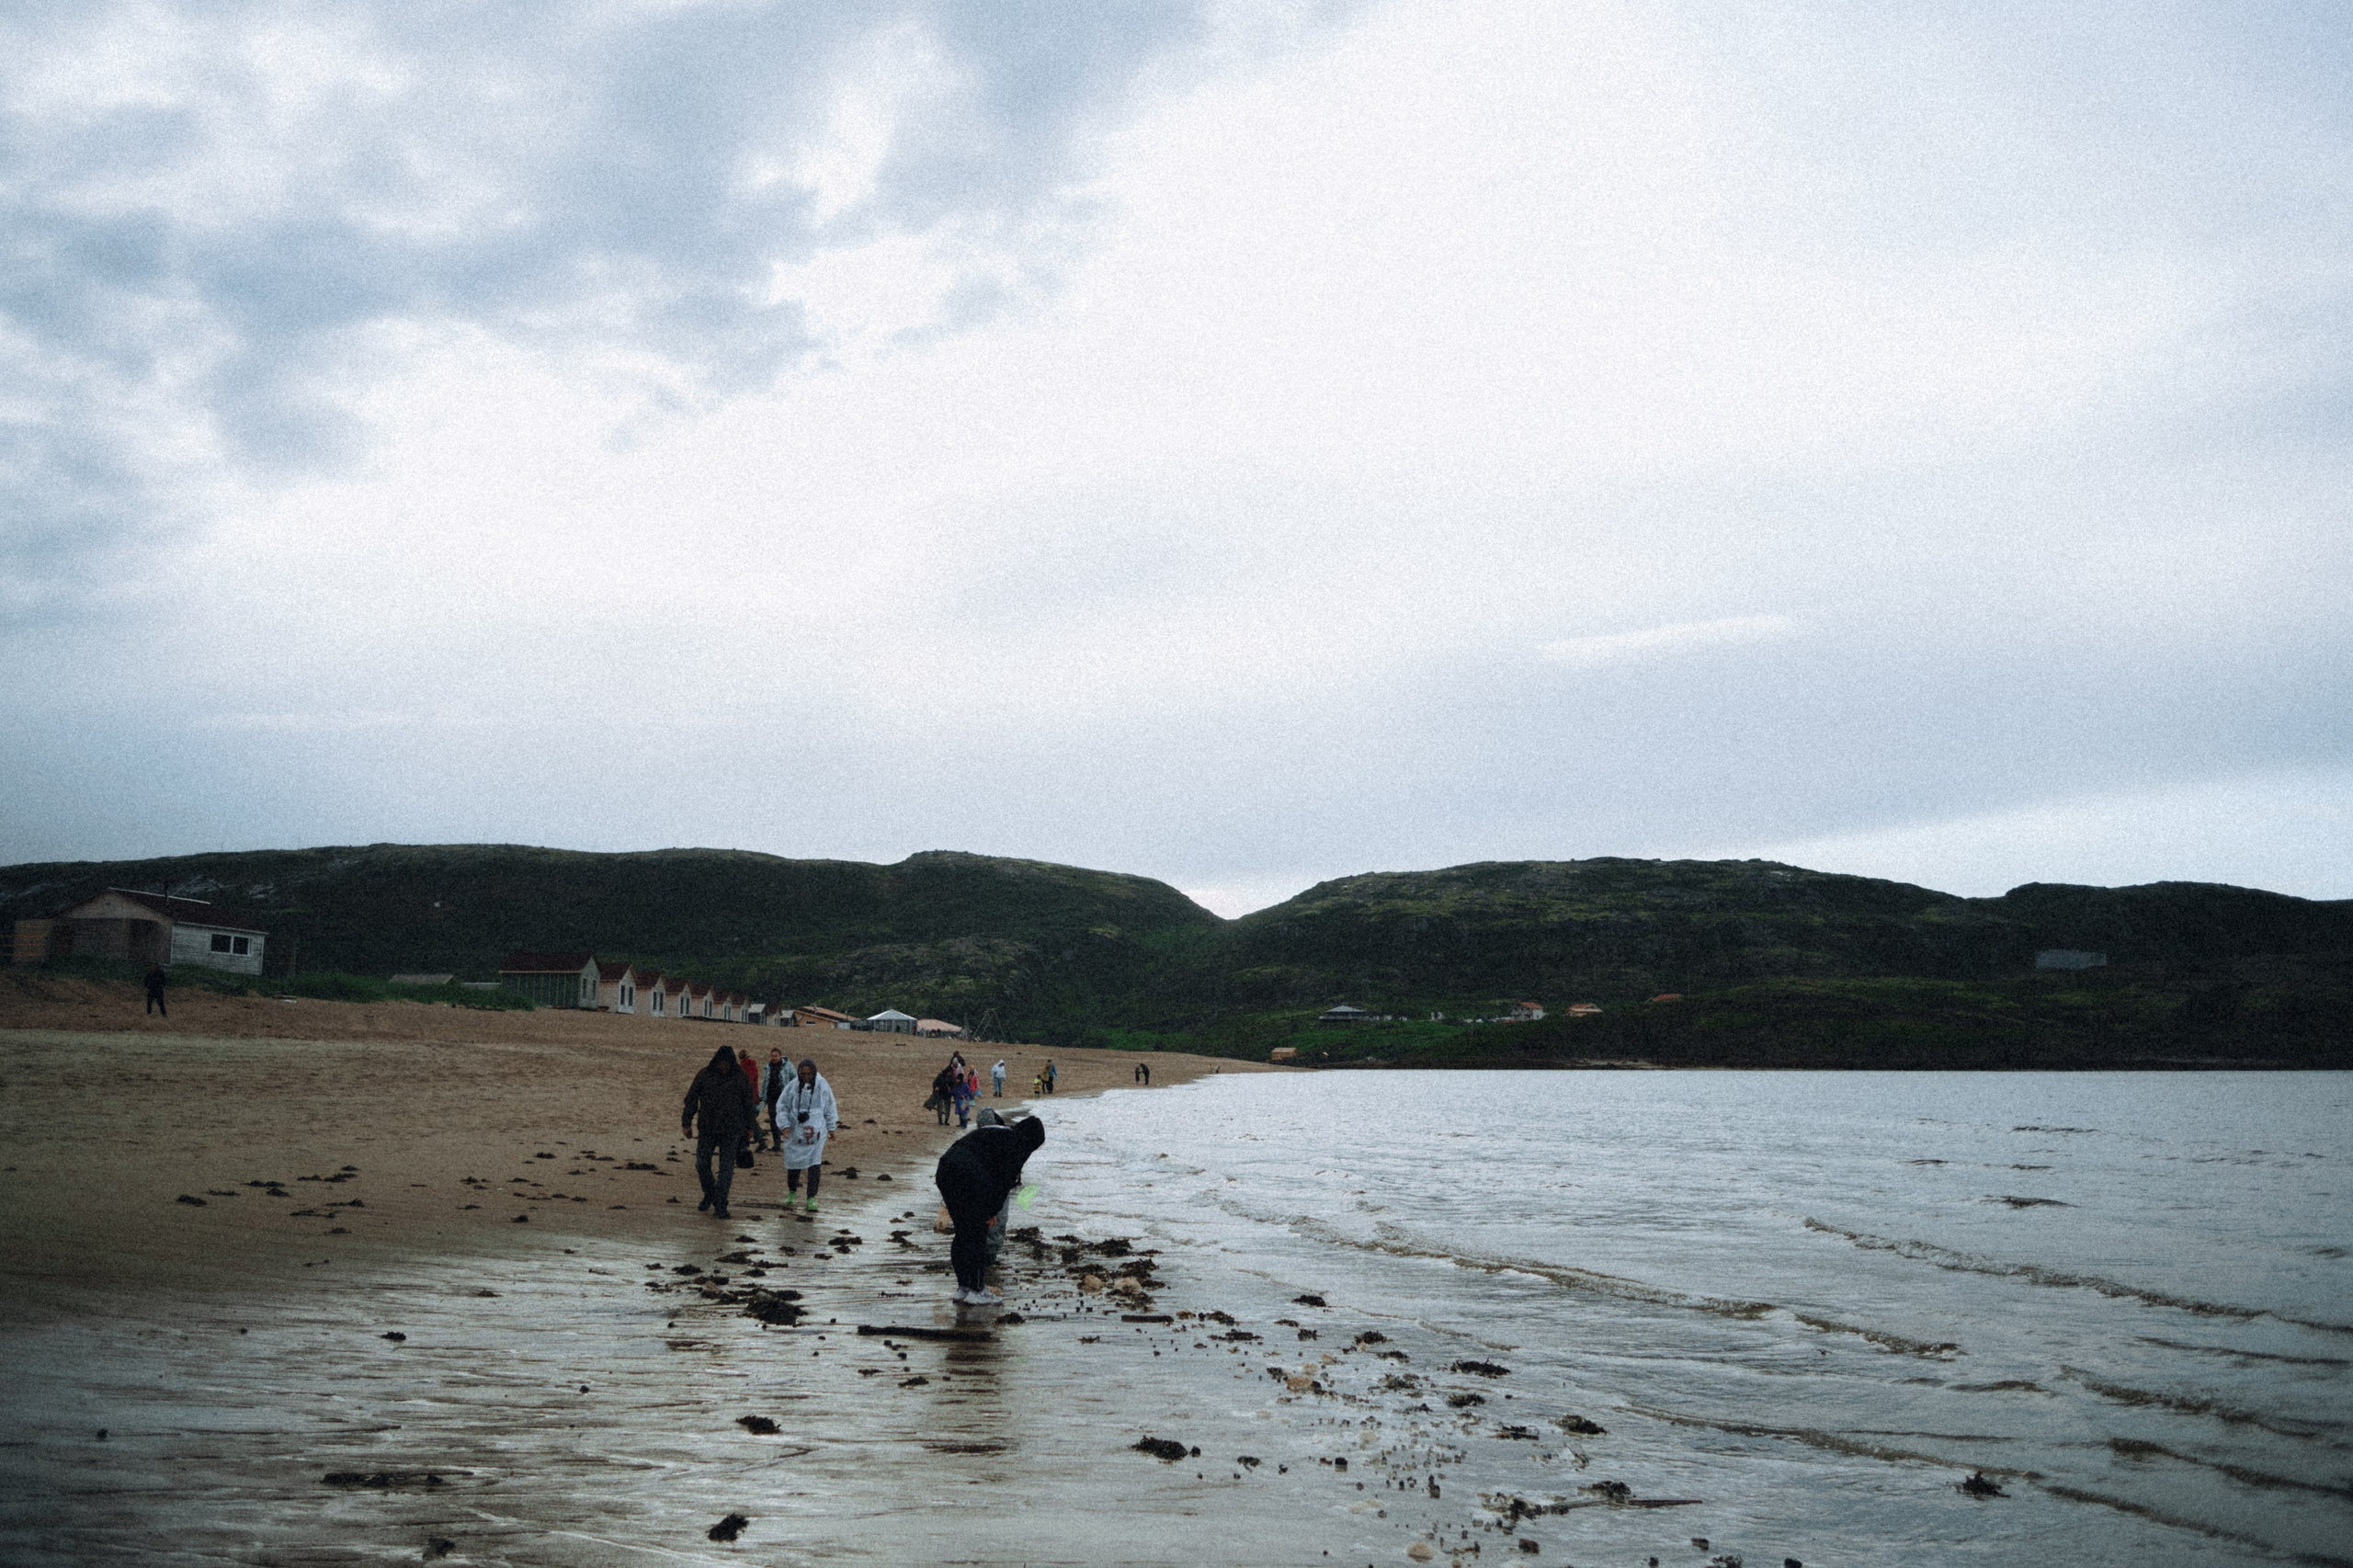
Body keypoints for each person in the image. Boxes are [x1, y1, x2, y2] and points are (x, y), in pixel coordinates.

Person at [934, 1112, 1046, 1306]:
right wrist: (992, 1212)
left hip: (945, 1169)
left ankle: (964, 1288)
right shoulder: (1020, 1144)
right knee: (977, 1234)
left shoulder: (997, 1131)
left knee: (963, 1233)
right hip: (968, 1176)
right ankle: (977, 1290)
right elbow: (1004, 1182)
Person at [681, 1045, 757, 1221]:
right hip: (707, 1128)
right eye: (721, 1063)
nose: (724, 1067)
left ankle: (721, 1204)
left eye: (727, 1063)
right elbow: (691, 1099)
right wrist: (686, 1123)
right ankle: (710, 1194)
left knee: (726, 1169)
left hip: (732, 1130)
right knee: (701, 1164)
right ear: (716, 1061)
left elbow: (748, 1104)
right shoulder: (704, 1075)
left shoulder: (741, 1077)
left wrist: (750, 1127)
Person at [775, 1057, 839, 1212]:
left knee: (814, 1164)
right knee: (793, 1162)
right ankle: (792, 1192)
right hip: (796, 1128)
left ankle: (811, 1198)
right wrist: (784, 1125)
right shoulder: (793, 1086)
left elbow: (830, 1106)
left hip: (815, 1130)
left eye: (809, 1074)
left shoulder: (822, 1085)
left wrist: (831, 1127)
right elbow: (782, 1105)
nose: (806, 1077)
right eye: (803, 1074)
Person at [758, 1048, 788, 1152]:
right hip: (771, 1097)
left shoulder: (787, 1066)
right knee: (773, 1120)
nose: (774, 1058)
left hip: (783, 1098)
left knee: (785, 1120)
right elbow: (765, 1083)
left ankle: (788, 1143)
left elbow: (794, 1079)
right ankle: (777, 1143)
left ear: (780, 1056)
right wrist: (762, 1097)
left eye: (776, 1056)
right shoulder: (768, 1067)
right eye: (772, 1056)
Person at [929, 1062, 959, 1126]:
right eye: (949, 1072)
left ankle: (946, 1120)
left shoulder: (951, 1077)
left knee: (947, 1108)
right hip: (940, 1093)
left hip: (948, 1094)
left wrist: (952, 1089)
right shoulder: (940, 1076)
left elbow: (953, 1085)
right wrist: (936, 1089)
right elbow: (935, 1083)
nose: (950, 1073)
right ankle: (940, 1120)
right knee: (940, 1107)